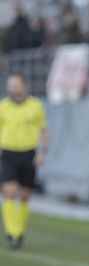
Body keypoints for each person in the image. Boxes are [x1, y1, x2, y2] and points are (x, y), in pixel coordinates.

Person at [0, 73, 48, 249]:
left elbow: (43, 131)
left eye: (15, 85)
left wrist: (42, 153)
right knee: (9, 192)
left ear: (23, 86)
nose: (12, 88)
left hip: (28, 154)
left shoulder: (35, 106)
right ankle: (12, 232)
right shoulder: (3, 106)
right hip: (8, 153)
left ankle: (19, 231)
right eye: (10, 85)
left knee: (25, 195)